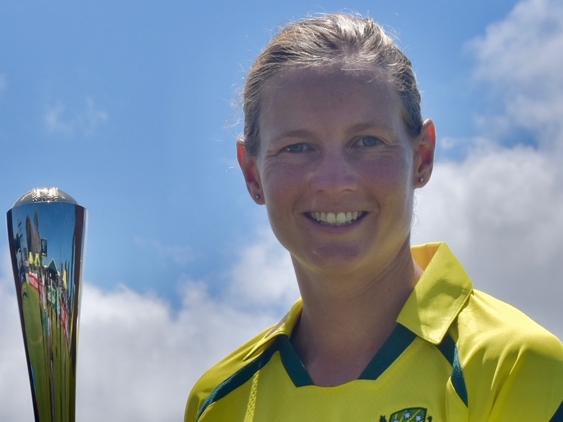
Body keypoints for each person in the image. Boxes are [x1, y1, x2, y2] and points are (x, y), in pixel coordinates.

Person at [185, 13, 563, 421]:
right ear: (252, 174)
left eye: (367, 142)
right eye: (297, 147)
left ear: (422, 157)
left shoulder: (516, 365)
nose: (333, 181)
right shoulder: (219, 402)